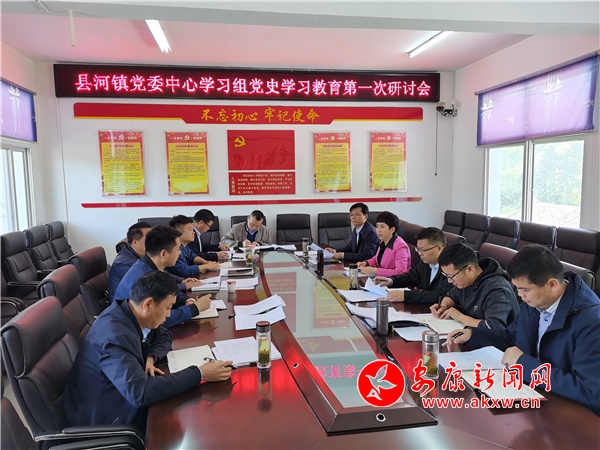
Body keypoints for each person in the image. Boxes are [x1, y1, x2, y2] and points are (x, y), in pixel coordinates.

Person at [63, 271, 233, 432]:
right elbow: (140, 393)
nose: (169, 315)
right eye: (168, 307)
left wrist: (151, 357)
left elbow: (164, 335)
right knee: (195, 422)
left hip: (121, 394)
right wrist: (200, 374)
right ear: (148, 304)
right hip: (105, 419)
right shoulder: (115, 336)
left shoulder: (130, 311)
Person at [448, 245, 600, 416]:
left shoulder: (592, 322)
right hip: (531, 394)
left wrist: (523, 364)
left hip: (571, 414)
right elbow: (512, 337)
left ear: (552, 284)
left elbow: (591, 391)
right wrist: (473, 335)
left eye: (524, 290)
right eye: (517, 288)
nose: (520, 295)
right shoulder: (536, 301)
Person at [114, 225, 211, 328]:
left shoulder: (148, 266)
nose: (179, 253)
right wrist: (195, 308)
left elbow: (167, 291)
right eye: (177, 249)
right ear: (163, 254)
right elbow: (159, 320)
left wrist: (186, 300)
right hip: (128, 330)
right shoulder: (144, 279)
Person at [430, 242, 519, 330]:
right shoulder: (466, 280)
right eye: (447, 276)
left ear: (469, 269)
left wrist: (460, 317)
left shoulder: (498, 289)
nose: (449, 281)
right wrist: (444, 306)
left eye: (451, 276)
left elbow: (493, 327)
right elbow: (452, 296)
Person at [109, 223, 202, 303]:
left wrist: (186, 297)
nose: (152, 240)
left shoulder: (146, 261)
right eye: (148, 237)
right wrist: (193, 308)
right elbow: (157, 298)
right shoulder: (127, 263)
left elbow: (163, 276)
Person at [375, 227, 452, 303]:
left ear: (439, 248)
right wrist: (392, 281)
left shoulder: (451, 266)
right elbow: (412, 277)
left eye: (423, 250)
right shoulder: (426, 261)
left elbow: (442, 295)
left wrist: (407, 296)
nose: (420, 253)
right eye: (418, 249)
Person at [108, 221, 152, 302]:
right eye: (149, 239)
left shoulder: (136, 255)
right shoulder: (126, 263)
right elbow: (151, 285)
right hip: (124, 307)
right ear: (135, 242)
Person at [356, 211, 410, 277]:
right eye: (377, 226)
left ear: (392, 229)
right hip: (382, 279)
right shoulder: (383, 241)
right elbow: (376, 259)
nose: (378, 230)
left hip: (395, 281)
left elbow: (401, 272)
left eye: (382, 227)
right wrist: (366, 263)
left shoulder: (401, 246)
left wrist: (375, 271)